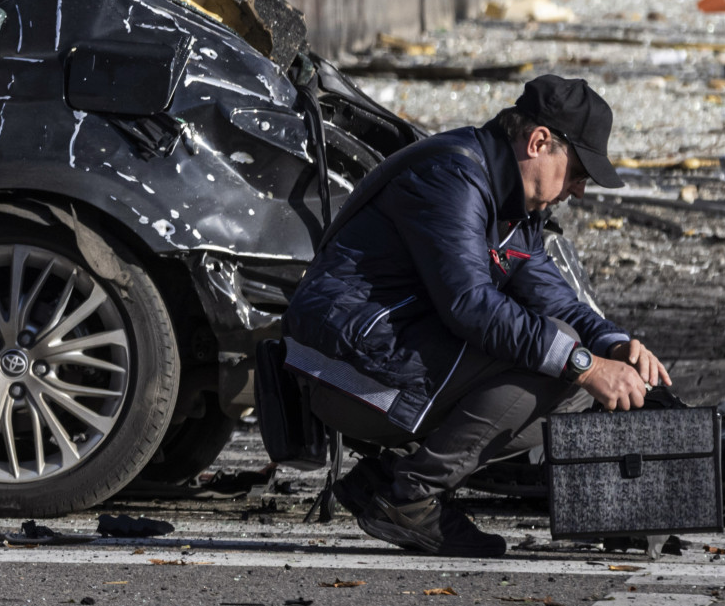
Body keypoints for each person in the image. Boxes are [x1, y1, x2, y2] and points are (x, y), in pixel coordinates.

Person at [286, 76, 670, 557]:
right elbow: (470, 306)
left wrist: (614, 345)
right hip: (340, 365)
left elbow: (551, 296)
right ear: (539, 142)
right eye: (578, 172)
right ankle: (410, 498)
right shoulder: (452, 178)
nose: (580, 190)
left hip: (386, 350)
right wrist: (586, 366)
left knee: (569, 352)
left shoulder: (513, 201)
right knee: (563, 365)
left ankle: (388, 479)